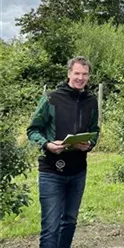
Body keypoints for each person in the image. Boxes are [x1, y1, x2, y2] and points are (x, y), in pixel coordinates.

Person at [27, 56, 100, 248]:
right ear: (69, 74)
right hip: (51, 171)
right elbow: (33, 130)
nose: (80, 78)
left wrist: (90, 143)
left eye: (84, 74)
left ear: (88, 76)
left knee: (69, 221)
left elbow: (95, 129)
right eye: (77, 73)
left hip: (77, 171)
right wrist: (47, 144)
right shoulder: (52, 97)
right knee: (50, 226)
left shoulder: (91, 101)